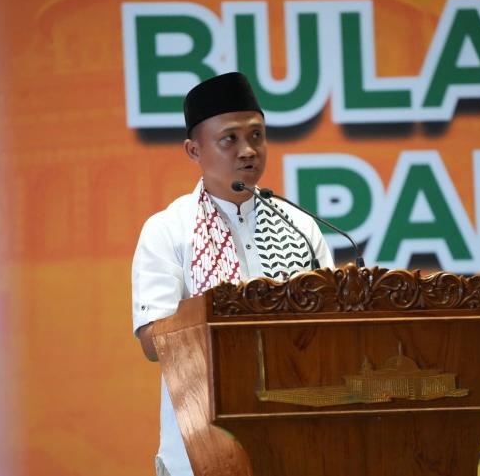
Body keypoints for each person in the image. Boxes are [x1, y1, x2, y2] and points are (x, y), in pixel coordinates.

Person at [131, 72, 334, 476]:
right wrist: (228, 320)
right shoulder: (169, 229)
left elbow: (332, 323)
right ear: (194, 149)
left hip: (295, 437)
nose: (248, 151)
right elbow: (153, 341)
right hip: (199, 446)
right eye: (230, 139)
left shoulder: (299, 226)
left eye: (257, 136)